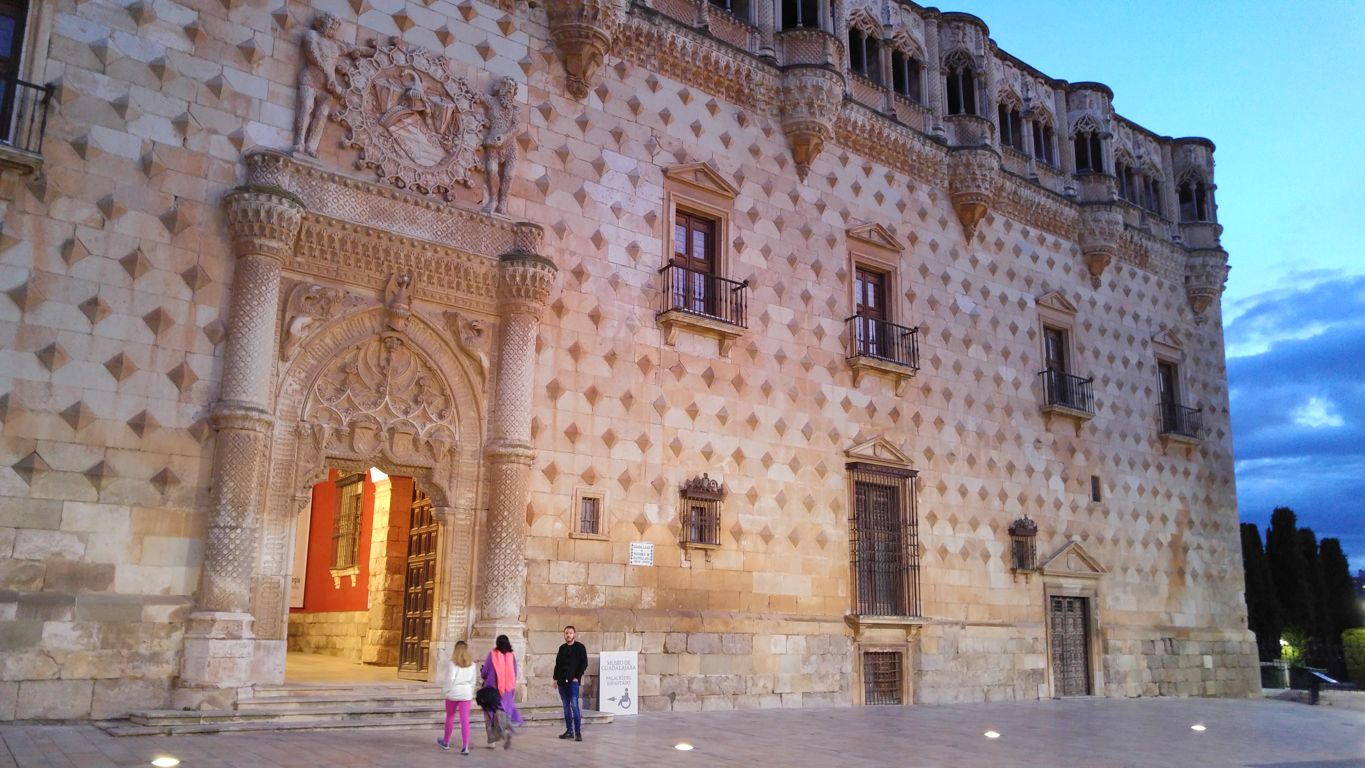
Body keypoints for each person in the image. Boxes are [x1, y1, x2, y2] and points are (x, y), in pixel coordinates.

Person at [438, 641, 478, 755]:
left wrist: (445, 691)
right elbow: (473, 681)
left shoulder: (452, 663)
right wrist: (470, 692)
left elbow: (450, 679)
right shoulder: (472, 664)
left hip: (453, 692)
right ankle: (465, 746)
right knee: (465, 719)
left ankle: (446, 742)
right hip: (466, 694)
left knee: (450, 717)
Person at [553, 625, 588, 742]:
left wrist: (577, 677)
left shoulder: (580, 647)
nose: (568, 635)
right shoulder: (562, 648)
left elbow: (584, 664)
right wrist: (555, 679)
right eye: (566, 633)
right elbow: (557, 665)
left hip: (573, 683)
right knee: (566, 707)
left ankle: (578, 732)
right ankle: (569, 731)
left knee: (574, 705)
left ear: (574, 634)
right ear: (564, 635)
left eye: (570, 633)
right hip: (562, 683)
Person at [481, 634, 525, 728]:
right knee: (506, 708)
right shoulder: (511, 656)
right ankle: (511, 724)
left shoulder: (492, 655)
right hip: (508, 689)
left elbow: (485, 671)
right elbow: (515, 672)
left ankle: (496, 728)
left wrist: (483, 674)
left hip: (493, 688)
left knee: (490, 709)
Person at [475, 684, 512, 750]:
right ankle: (503, 734)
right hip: (500, 694)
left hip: (490, 696)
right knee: (495, 718)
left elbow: (489, 681)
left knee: (489, 719)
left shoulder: (490, 673)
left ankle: (492, 742)